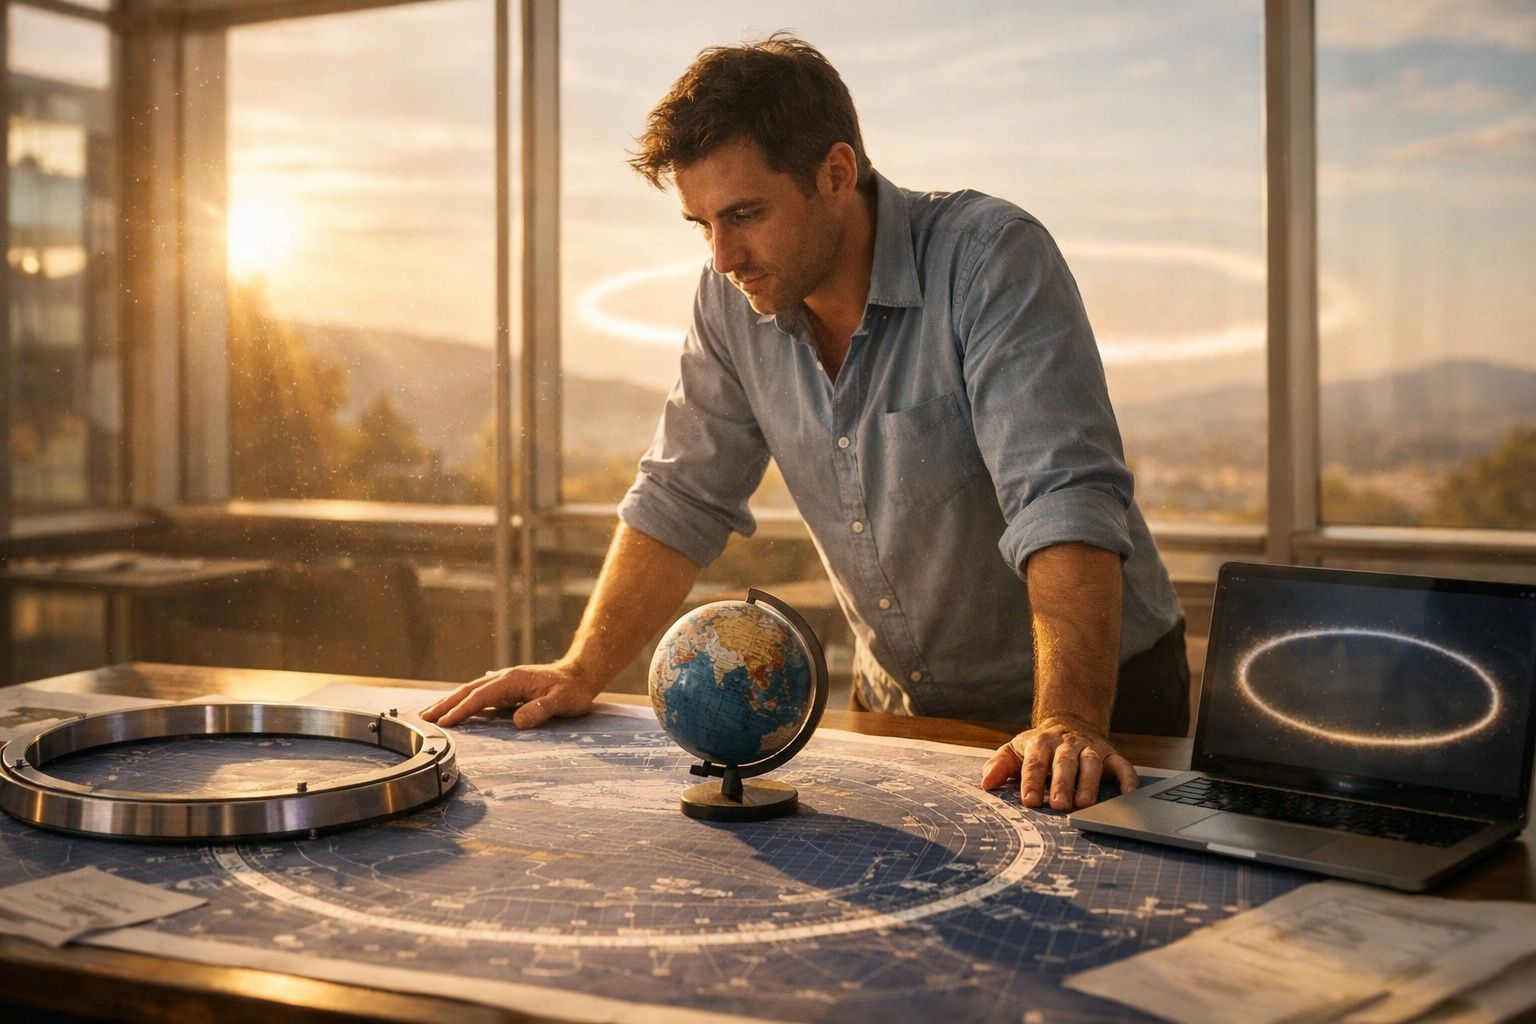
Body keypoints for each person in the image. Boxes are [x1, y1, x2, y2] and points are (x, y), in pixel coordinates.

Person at [422, 34, 1190, 812]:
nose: (723, 257)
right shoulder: (731, 300)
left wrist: (1068, 718)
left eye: (745, 214)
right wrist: (581, 668)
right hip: (903, 706)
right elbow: (682, 495)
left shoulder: (990, 259)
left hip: (1094, 704)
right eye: (701, 224)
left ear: (836, 174)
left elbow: (1060, 498)